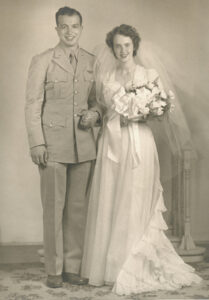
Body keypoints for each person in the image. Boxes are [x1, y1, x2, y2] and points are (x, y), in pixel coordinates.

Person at [81, 24, 202, 295]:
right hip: (112, 142)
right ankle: (109, 266)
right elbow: (100, 106)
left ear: (135, 45)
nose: (122, 50)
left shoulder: (149, 74)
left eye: (127, 45)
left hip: (140, 143)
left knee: (135, 198)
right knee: (111, 197)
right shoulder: (107, 75)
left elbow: (160, 113)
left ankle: (134, 264)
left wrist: (141, 111)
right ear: (112, 49)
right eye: (117, 46)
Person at [25, 6, 101, 288]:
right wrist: (37, 142)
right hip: (52, 146)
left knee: (76, 211)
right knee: (54, 209)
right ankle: (54, 270)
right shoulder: (43, 60)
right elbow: (32, 104)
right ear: (56, 29)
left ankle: (72, 267)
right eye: (64, 27)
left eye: (75, 26)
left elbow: (97, 103)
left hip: (83, 147)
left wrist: (95, 115)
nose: (70, 32)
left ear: (82, 28)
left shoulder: (92, 61)